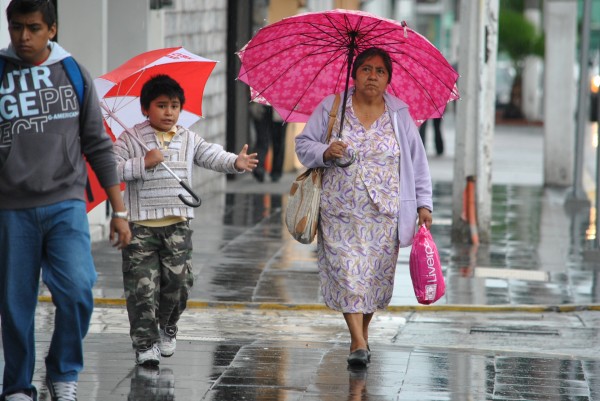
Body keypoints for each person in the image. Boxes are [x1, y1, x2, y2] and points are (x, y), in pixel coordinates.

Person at [0, 0, 132, 400]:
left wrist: (119, 211)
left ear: (52, 30)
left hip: (66, 203)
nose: (24, 36)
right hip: (10, 209)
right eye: (17, 27)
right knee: (14, 304)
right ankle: (19, 386)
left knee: (77, 290)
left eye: (34, 28)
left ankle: (63, 371)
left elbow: (98, 144)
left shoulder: (74, 73)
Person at [295, 47, 433, 367]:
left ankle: (362, 338)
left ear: (388, 80)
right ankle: (357, 341)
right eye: (366, 69)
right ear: (354, 74)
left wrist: (424, 204)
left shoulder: (399, 114)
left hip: (384, 216)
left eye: (380, 71)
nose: (372, 75)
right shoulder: (333, 107)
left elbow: (418, 162)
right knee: (346, 276)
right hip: (339, 210)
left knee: (372, 281)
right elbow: (303, 145)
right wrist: (326, 151)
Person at [113, 74, 258, 367]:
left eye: (174, 106)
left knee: (179, 283)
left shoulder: (188, 137)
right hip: (140, 228)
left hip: (177, 226)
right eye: (161, 105)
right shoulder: (131, 139)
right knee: (142, 289)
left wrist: (235, 162)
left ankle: (167, 325)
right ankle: (145, 344)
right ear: (145, 109)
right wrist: (144, 163)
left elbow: (210, 155)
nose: (169, 112)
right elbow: (111, 169)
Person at [249, 103, 286, 182]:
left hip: (281, 107)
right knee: (262, 139)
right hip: (262, 106)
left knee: (278, 141)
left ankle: (276, 172)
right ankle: (259, 168)